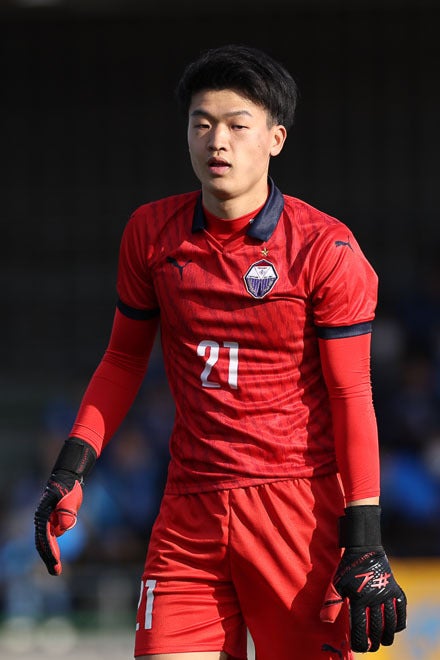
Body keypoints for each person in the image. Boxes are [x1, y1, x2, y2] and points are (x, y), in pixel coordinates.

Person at [34, 44, 407, 660]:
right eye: (202, 124)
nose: (217, 141)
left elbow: (351, 394)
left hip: (296, 514)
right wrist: (69, 470)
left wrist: (364, 538)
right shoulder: (150, 234)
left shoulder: (326, 249)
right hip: (189, 511)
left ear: (276, 139)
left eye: (237, 125)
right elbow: (123, 359)